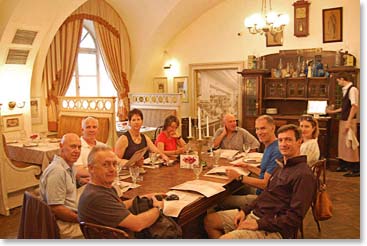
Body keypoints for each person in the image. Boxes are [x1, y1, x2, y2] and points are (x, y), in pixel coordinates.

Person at [204, 124, 317, 239]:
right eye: (281, 140)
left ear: (299, 141)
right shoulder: (282, 165)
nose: (283, 144)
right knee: (210, 220)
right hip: (256, 214)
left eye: (288, 140)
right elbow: (265, 194)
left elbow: (295, 218)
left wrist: (259, 224)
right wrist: (245, 210)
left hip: (273, 228)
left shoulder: (304, 175)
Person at [78, 146, 164, 237]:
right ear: (91, 168)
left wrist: (145, 196)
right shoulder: (96, 197)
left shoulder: (103, 188)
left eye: (114, 164)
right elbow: (138, 224)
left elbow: (118, 206)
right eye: (105, 165)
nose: (112, 169)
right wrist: (158, 208)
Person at [219, 115, 282, 209]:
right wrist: (248, 166)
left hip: (265, 197)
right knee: (234, 190)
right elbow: (266, 174)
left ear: (273, 128)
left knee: (221, 200)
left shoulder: (276, 151)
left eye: (263, 128)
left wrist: (239, 177)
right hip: (262, 191)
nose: (259, 132)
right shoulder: (270, 145)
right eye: (257, 129)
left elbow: (265, 184)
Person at [39, 133, 83, 239]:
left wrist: (81, 181)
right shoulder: (57, 171)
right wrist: (83, 219)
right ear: (61, 146)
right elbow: (56, 209)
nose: (77, 150)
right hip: (64, 225)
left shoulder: (69, 165)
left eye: (79, 147)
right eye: (73, 146)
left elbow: (67, 187)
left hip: (71, 213)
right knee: (106, 227)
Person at [326, 72, 359, 177]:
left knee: (350, 144)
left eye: (338, 80)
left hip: (349, 121)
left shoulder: (352, 89)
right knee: (343, 145)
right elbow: (345, 107)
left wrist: (349, 121)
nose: (338, 82)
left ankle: (355, 168)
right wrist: (333, 112)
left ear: (342, 79)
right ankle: (345, 165)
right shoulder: (345, 90)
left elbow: (354, 106)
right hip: (344, 120)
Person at [74, 116, 106, 185]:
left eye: (94, 127)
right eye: (88, 127)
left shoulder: (103, 146)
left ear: (97, 130)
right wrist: (100, 173)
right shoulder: (76, 147)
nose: (92, 130)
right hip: (86, 184)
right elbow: (78, 170)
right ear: (82, 130)